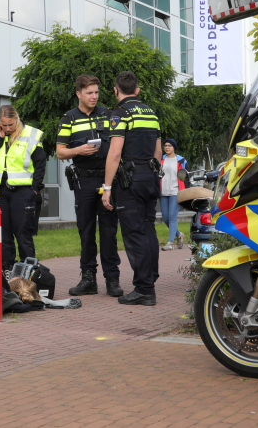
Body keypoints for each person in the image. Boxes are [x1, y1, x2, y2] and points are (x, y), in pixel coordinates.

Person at [56, 74, 122, 297]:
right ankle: (88, 279)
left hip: (107, 179)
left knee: (109, 231)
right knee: (86, 230)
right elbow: (60, 151)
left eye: (96, 92)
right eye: (89, 93)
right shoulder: (69, 118)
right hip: (83, 180)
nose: (94, 96)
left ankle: (112, 279)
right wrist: (79, 150)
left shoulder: (108, 114)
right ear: (78, 94)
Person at [101, 71, 162, 306]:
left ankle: (144, 289)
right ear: (137, 90)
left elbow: (115, 153)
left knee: (134, 233)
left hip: (130, 180)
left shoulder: (120, 113)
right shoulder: (151, 113)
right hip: (150, 176)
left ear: (116, 90)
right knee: (148, 229)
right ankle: (150, 279)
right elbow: (157, 152)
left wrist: (107, 187)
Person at [0, 105, 46, 270]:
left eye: (11, 124)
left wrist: (34, 189)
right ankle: (7, 270)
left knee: (23, 235)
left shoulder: (31, 133)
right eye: (4, 125)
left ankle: (28, 273)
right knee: (3, 236)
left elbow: (40, 164)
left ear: (17, 119)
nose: (8, 128)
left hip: (23, 192)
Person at [159, 139, 188, 251]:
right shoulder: (161, 160)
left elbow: (186, 177)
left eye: (169, 146)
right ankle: (179, 235)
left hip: (176, 192)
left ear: (174, 147)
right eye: (165, 145)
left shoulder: (181, 161)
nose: (167, 147)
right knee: (165, 218)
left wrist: (185, 192)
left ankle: (170, 243)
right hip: (163, 192)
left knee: (172, 217)